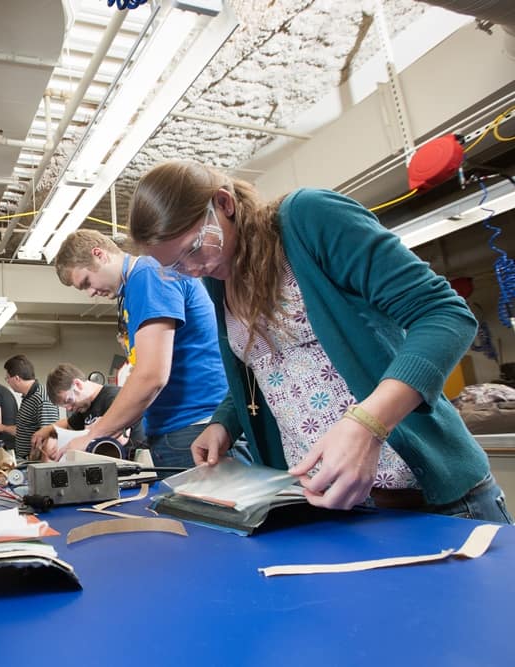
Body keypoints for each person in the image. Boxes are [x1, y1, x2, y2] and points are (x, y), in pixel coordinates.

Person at [128, 158, 513, 523]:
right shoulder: (218, 276)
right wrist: (226, 423)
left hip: (428, 502)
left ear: (224, 204)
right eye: (175, 266)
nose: (193, 269)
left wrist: (369, 423)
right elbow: (267, 366)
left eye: (193, 248)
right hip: (329, 508)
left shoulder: (306, 219)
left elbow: (444, 314)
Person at [53, 229, 228, 467]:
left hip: (193, 428)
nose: (91, 293)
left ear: (100, 255)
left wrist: (93, 435)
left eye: (86, 282)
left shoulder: (147, 274)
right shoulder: (133, 289)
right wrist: (116, 422)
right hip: (179, 429)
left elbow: (151, 375)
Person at [33, 362, 147, 460]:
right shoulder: (84, 407)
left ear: (77, 384)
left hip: (132, 465)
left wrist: (74, 444)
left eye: (69, 401)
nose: (69, 408)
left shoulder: (113, 397)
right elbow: (67, 423)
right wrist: (46, 431)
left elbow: (120, 438)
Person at [0, 354, 60, 459]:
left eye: (7, 378)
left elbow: (49, 436)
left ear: (17, 378)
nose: (7, 382)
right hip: (25, 460)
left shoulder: (41, 398)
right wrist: (3, 428)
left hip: (36, 462)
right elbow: (24, 429)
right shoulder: (28, 398)